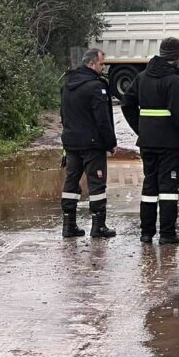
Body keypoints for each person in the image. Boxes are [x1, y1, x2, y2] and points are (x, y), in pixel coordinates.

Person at [121, 36, 179, 244]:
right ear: (177, 57)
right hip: (170, 145)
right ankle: (167, 234)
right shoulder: (174, 82)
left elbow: (126, 103)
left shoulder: (143, 77)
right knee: (168, 188)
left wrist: (141, 129)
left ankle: (146, 233)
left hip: (147, 142)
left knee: (149, 186)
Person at [59, 48, 119, 238]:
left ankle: (68, 226)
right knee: (96, 184)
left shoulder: (68, 84)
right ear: (92, 63)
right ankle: (98, 226)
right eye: (102, 64)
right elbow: (103, 120)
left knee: (71, 182)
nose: (104, 67)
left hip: (71, 143)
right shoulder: (95, 86)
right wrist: (110, 143)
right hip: (92, 145)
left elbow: (63, 115)